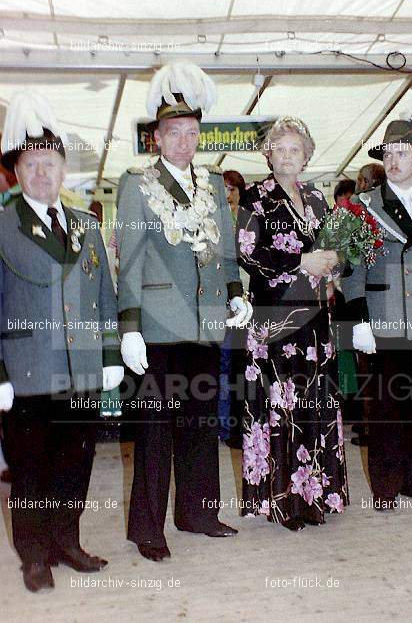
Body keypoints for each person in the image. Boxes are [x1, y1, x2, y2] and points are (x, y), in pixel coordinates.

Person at [117, 62, 252, 562]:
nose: (184, 142)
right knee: (154, 432)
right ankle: (147, 528)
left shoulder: (214, 185)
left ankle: (197, 511)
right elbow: (128, 259)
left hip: (205, 320)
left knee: (200, 423)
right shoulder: (135, 184)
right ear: (157, 137)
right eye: (174, 133)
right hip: (157, 324)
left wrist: (235, 290)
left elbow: (226, 250)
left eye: (192, 133)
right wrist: (128, 327)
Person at [0, 92, 123, 592]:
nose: (42, 173)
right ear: (17, 171)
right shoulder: (4, 226)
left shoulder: (86, 227)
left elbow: (106, 297)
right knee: (29, 470)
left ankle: (67, 542)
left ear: (64, 168)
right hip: (26, 371)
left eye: (50, 163)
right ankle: (33, 556)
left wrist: (111, 355)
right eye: (31, 164)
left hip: (82, 371)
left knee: (76, 462)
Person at [236, 116, 349, 531]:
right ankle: (282, 502)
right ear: (268, 154)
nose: (287, 156)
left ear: (306, 157)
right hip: (276, 322)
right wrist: (302, 260)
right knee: (280, 407)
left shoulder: (320, 200)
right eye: (279, 149)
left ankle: (314, 497)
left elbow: (341, 252)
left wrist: (338, 261)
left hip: (317, 321)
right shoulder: (255, 198)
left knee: (314, 403)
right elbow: (248, 254)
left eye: (294, 150)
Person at [341, 118, 412, 509]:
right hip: (384, 317)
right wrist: (359, 321)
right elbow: (351, 269)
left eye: (402, 153)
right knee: (387, 407)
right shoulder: (363, 206)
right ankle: (387, 486)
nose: (393, 161)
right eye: (388, 153)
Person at [350, 162, 386, 447]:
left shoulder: (376, 209)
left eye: (364, 180)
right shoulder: (353, 209)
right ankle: (368, 426)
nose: (359, 184)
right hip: (360, 305)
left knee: (378, 375)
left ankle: (375, 428)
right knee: (367, 372)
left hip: (384, 307)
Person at [219, 170, 248, 447]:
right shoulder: (217, 219)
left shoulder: (249, 219)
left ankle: (242, 426)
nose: (228, 194)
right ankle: (226, 428)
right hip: (224, 304)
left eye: (232, 188)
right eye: (224, 188)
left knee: (243, 366)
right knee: (226, 366)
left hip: (249, 302)